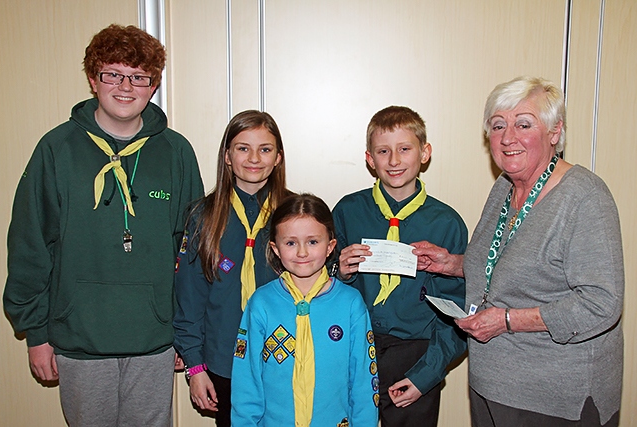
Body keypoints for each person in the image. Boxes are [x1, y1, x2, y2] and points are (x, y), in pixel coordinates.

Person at [2, 24, 204, 426]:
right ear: (94, 79)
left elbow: (192, 251)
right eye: (113, 74)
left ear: (153, 85)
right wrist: (35, 334)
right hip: (79, 339)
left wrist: (187, 335)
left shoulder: (176, 152)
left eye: (139, 77)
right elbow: (30, 244)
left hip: (154, 339)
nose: (125, 86)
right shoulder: (56, 149)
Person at [414, 76, 624, 427]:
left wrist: (507, 320)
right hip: (490, 385)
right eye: (498, 126)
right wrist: (453, 264)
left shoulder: (585, 198)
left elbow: (601, 304)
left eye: (523, 124)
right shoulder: (504, 187)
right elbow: (510, 265)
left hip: (554, 399)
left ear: (555, 132)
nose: (508, 138)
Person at [332, 106, 468, 427]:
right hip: (352, 348)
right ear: (370, 158)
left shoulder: (447, 223)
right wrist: (341, 272)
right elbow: (316, 287)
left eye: (404, 149)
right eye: (383, 151)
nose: (394, 160)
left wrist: (427, 375)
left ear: (425, 153)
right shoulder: (347, 212)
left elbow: (458, 310)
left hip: (416, 354)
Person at [173, 110, 292, 426]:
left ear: (278, 157)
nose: (254, 158)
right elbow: (190, 298)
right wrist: (195, 367)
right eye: (243, 148)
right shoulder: (203, 216)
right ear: (227, 156)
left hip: (290, 358)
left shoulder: (297, 214)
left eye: (265, 149)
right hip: (225, 361)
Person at [231, 193, 379, 426]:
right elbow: (246, 381)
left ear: (330, 246)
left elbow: (363, 381)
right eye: (290, 243)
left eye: (313, 242)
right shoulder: (261, 303)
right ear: (276, 248)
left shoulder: (350, 304)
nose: (301, 252)